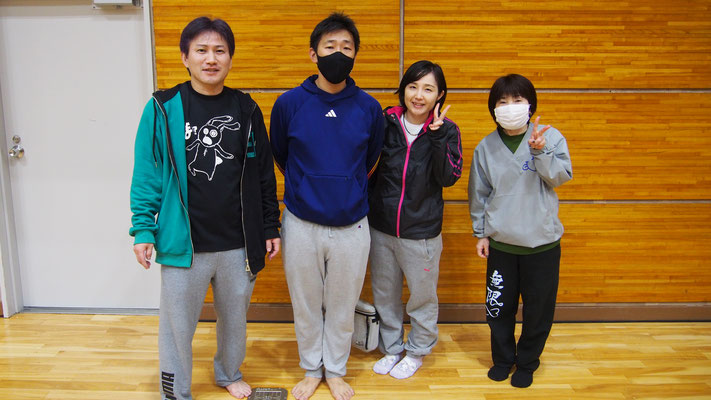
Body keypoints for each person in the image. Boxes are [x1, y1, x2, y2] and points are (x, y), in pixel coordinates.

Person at [129, 17, 281, 400]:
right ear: (185, 57)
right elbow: (147, 172)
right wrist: (143, 229)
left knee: (234, 321)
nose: (211, 59)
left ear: (230, 58)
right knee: (176, 327)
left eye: (219, 51)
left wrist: (270, 226)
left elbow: (263, 174)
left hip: (237, 243)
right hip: (185, 244)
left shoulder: (246, 109)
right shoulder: (163, 107)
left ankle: (229, 373)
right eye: (201, 50)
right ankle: (175, 391)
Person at [269, 12, 385, 400]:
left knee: (341, 304)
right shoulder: (289, 104)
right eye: (330, 46)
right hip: (301, 222)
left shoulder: (369, 108)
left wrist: (344, 187)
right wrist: (309, 187)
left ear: (355, 55)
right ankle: (310, 368)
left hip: (352, 225)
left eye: (346, 47)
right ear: (313, 53)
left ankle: (334, 370)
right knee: (305, 304)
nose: (338, 53)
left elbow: (370, 162)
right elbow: (282, 156)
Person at [468, 74, 572, 388]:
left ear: (530, 105)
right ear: (493, 108)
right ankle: (503, 359)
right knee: (498, 308)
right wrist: (481, 233)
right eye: (503, 101)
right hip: (502, 245)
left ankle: (527, 362)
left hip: (542, 245)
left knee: (538, 310)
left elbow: (560, 177)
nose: (510, 107)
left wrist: (540, 152)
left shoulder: (550, 137)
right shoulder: (486, 147)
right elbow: (479, 194)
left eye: (517, 100)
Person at [367, 60, 462, 379]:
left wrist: (437, 137)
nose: (419, 95)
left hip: (422, 233)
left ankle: (417, 350)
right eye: (413, 86)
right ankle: (392, 347)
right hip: (381, 228)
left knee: (422, 298)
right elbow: (369, 169)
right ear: (404, 89)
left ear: (440, 95)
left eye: (428, 89)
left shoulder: (448, 130)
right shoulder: (386, 122)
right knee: (385, 295)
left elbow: (449, 177)